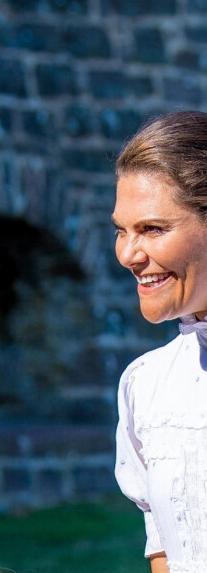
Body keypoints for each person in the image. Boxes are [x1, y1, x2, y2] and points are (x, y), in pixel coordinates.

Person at [113, 110, 207, 573]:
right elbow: (167, 550)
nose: (128, 253)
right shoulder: (146, 386)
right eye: (121, 229)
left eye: (152, 229)